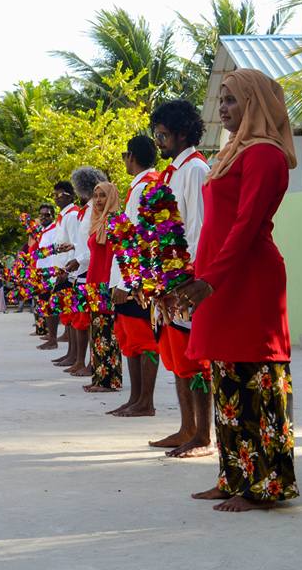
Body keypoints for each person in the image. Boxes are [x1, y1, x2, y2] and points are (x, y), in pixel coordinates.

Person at [175, 68, 299, 512]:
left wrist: (210, 279)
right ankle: (232, 477)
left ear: (254, 104)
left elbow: (246, 228)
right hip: (220, 276)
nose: (222, 108)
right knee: (227, 379)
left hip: (249, 280)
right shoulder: (232, 152)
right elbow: (215, 227)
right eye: (221, 100)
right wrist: (194, 273)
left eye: (231, 100)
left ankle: (264, 486)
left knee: (255, 380)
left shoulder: (264, 155)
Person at [149, 99, 214, 458]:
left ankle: (203, 434)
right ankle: (186, 427)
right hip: (167, 278)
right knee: (176, 356)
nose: (159, 141)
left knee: (195, 358)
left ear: (182, 133)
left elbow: (200, 229)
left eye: (163, 134)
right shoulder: (174, 171)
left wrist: (188, 278)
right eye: (156, 134)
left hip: (185, 279)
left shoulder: (196, 170)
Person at [108, 135, 161, 417]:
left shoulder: (145, 187)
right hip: (130, 276)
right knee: (129, 340)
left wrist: (126, 283)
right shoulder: (140, 186)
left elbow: (138, 239)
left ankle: (145, 401)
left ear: (131, 156)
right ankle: (136, 397)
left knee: (144, 341)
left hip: (137, 279)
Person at [55, 166, 105, 376]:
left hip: (87, 269)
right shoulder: (86, 209)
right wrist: (74, 250)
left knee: (84, 320)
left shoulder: (95, 209)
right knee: (77, 317)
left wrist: (78, 258)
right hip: (79, 267)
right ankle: (77, 359)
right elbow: (82, 241)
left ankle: (84, 361)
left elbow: (94, 243)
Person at [83, 182, 123, 393]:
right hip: (94, 282)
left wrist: (113, 285)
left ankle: (109, 381)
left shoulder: (115, 221)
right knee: (97, 331)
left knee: (108, 332)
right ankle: (99, 377)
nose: (98, 200)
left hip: (106, 283)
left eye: (103, 196)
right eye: (96, 196)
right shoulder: (98, 221)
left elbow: (117, 255)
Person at [51, 181, 83, 361]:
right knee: (67, 314)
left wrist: (66, 272)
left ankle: (74, 356)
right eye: (54, 195)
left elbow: (75, 244)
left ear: (70, 195)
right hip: (61, 271)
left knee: (72, 316)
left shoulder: (72, 215)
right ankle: (70, 354)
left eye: (60, 194)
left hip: (69, 272)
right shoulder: (63, 216)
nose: (56, 198)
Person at [34, 204, 60, 348]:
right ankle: (51, 335)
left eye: (47, 215)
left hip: (51, 274)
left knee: (52, 306)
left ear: (52, 216)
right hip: (42, 273)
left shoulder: (55, 230)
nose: (43, 217)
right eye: (41, 215)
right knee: (45, 304)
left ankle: (53, 339)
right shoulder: (44, 231)